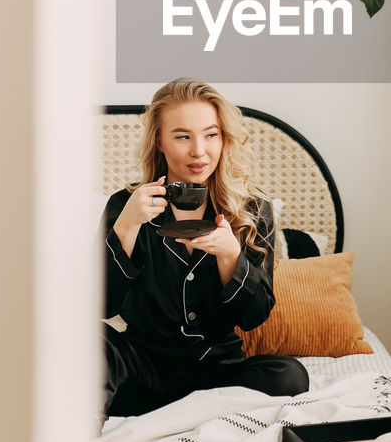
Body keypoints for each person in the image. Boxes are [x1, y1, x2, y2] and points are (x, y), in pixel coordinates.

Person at [101, 77, 309, 417]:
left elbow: (254, 316)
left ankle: (190, 412)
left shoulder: (253, 211)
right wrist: (127, 225)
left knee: (290, 376)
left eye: (211, 135)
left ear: (224, 139)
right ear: (160, 141)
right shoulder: (126, 205)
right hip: (143, 373)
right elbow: (100, 304)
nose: (199, 151)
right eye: (183, 136)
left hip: (219, 374)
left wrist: (230, 255)